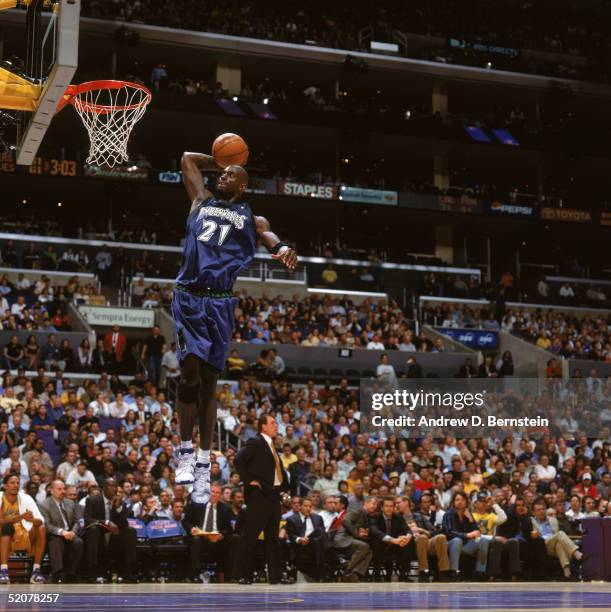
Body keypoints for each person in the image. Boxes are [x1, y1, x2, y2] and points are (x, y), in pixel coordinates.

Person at [172, 149, 297, 505]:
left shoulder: (252, 218)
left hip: (221, 302)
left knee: (210, 381)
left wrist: (284, 247)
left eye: (230, 176)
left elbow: (271, 237)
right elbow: (187, 160)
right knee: (189, 372)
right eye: (222, 174)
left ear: (243, 186)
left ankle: (203, 460)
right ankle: (183, 449)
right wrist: (220, 158)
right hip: (188, 297)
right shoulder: (200, 199)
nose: (222, 178)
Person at [233, 413, 290, 584]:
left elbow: (275, 472)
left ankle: (275, 576)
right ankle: (243, 574)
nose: (276, 425)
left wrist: (284, 489)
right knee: (250, 536)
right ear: (263, 426)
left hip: (273, 496)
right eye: (273, 423)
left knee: (273, 539)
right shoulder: (256, 442)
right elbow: (238, 459)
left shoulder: (272, 446)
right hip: (259, 496)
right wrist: (249, 480)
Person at [83, 478, 138, 582]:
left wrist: (118, 507)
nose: (113, 489)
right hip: (98, 535)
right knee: (93, 530)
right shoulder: (92, 500)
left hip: (114, 537)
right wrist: (107, 522)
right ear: (104, 488)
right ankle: (92, 572)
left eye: (115, 486)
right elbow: (88, 520)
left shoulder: (121, 503)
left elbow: (124, 524)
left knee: (130, 531)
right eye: (110, 486)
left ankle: (129, 571)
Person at [182, 483, 239, 582]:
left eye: (217, 492)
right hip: (200, 537)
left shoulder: (225, 509)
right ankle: (195, 575)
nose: (215, 494)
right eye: (212, 492)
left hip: (218, 540)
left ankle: (231, 575)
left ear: (220, 495)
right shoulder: (196, 505)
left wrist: (221, 535)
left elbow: (228, 528)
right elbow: (185, 521)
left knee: (235, 538)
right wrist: (192, 529)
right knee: (196, 540)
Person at [0, 474, 46, 584]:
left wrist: (32, 519)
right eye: (12, 483)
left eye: (17, 483)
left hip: (24, 535)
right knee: (6, 527)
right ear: (5, 486)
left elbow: (40, 520)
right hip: (4, 536)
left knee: (42, 528)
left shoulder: (26, 498)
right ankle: (4, 571)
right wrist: (21, 517)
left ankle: (36, 571)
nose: (16, 485)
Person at [285, 497, 342, 581]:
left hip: (315, 542)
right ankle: (337, 559)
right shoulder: (291, 519)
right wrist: (300, 539)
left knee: (320, 533)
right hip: (302, 544)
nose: (308, 508)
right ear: (300, 506)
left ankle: (321, 569)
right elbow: (291, 536)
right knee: (319, 532)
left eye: (310, 506)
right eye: (306, 506)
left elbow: (323, 535)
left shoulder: (317, 518)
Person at [38, 480, 84, 583]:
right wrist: (62, 532)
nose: (63, 491)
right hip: (54, 534)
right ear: (51, 491)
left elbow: (77, 521)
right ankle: (57, 573)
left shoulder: (70, 502)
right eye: (59, 489)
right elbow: (47, 525)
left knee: (79, 542)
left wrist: (73, 532)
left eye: (64, 489)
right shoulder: (44, 505)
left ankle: (71, 573)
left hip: (70, 533)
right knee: (56, 541)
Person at [442, 491, 490, 579]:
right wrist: (466, 535)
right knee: (457, 540)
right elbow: (449, 532)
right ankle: (454, 571)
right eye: (457, 500)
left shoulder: (468, 515)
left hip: (465, 546)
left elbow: (478, 532)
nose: (460, 502)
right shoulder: (448, 514)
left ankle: (480, 572)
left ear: (466, 502)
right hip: (450, 545)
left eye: (463, 500)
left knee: (483, 540)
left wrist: (471, 519)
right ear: (453, 502)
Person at [332, 495, 375, 582]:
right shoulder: (358, 510)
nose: (375, 506)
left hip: (350, 540)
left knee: (369, 551)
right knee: (364, 546)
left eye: (376, 504)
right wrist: (356, 533)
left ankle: (354, 574)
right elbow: (345, 520)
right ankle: (347, 570)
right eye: (373, 503)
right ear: (366, 503)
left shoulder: (367, 515)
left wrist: (364, 534)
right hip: (342, 539)